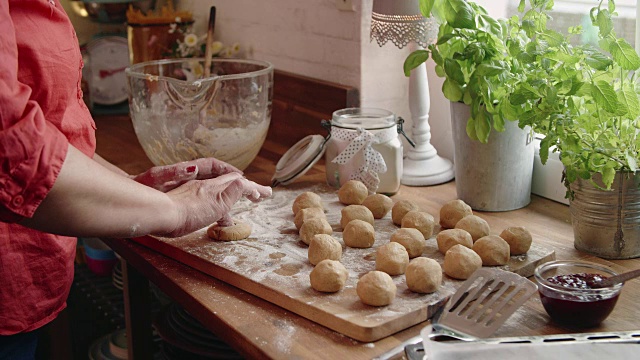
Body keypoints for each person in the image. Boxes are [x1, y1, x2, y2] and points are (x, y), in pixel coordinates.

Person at [0, 1, 272, 358]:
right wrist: (175, 209)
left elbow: (50, 136)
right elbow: (12, 148)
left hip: (28, 287)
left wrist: (127, 187)